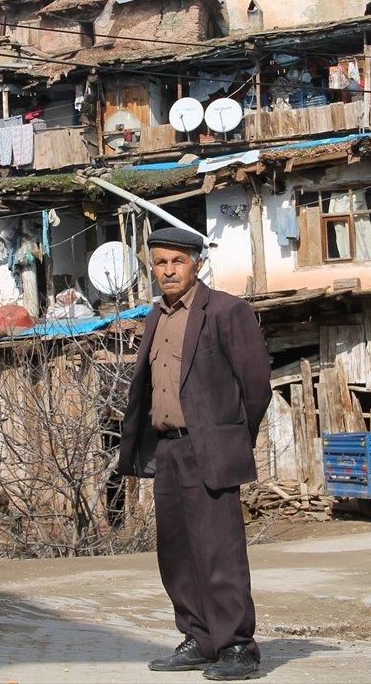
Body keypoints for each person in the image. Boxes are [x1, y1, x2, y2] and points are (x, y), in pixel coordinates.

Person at [117, 227, 272, 682]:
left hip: (211, 448)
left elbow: (256, 386)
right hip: (168, 449)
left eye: (177, 261)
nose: (168, 270)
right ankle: (199, 636)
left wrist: (232, 438)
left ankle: (237, 645)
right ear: (152, 267)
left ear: (196, 264)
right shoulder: (154, 316)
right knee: (177, 551)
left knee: (219, 550)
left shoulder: (226, 311)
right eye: (160, 262)